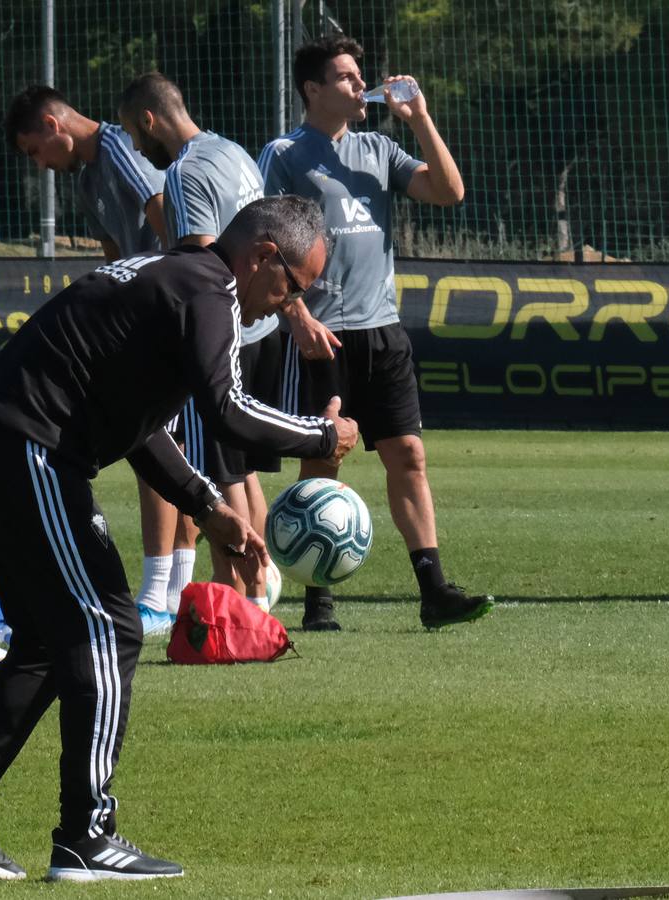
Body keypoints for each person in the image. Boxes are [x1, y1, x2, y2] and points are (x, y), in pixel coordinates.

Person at [0, 196, 358, 882]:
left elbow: (139, 422)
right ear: (263, 255)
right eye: (291, 287)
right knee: (107, 625)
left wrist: (207, 506)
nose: (285, 304)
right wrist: (326, 435)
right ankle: (87, 836)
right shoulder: (208, 290)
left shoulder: (173, 278)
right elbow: (228, 412)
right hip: (24, 450)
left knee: (50, 640)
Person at [258, 35, 492, 630]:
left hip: (383, 331)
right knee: (324, 460)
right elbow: (259, 244)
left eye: (360, 75)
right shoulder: (284, 153)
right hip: (322, 334)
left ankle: (434, 591)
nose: (361, 85)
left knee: (408, 455)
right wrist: (296, 314)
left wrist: (421, 120)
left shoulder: (379, 147)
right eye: (345, 77)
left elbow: (450, 192)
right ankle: (318, 602)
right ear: (314, 90)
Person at [1, 85, 196, 637]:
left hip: (168, 313)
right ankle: (178, 586)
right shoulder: (88, 177)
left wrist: (174, 295)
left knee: (151, 443)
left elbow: (167, 220)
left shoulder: (117, 150)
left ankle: (158, 590)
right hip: (142, 320)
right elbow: (117, 257)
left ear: (52, 123)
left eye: (35, 151)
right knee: (169, 447)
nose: (40, 165)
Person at [117, 72, 279, 611]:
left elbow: (201, 267)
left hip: (223, 334)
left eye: (136, 137)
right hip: (260, 327)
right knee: (243, 473)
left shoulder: (186, 173)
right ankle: (256, 601)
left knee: (218, 476)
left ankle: (232, 605)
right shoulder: (234, 152)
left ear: (148, 120)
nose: (138, 149)